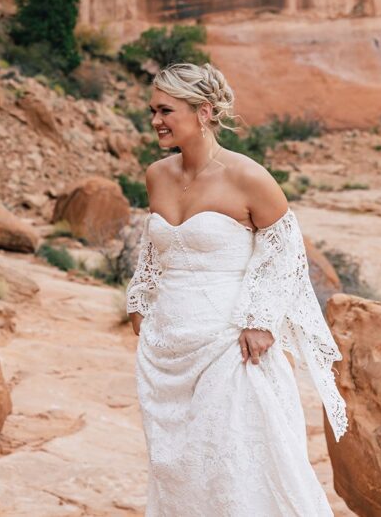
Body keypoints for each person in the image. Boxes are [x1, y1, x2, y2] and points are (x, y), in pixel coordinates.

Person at [125, 63, 348, 516]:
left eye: (166, 110)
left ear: (203, 111)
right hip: (166, 347)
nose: (155, 121)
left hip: (230, 345)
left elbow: (284, 251)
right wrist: (140, 295)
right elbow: (157, 245)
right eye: (152, 110)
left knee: (236, 462)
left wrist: (260, 320)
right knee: (179, 467)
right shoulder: (157, 175)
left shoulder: (247, 177)